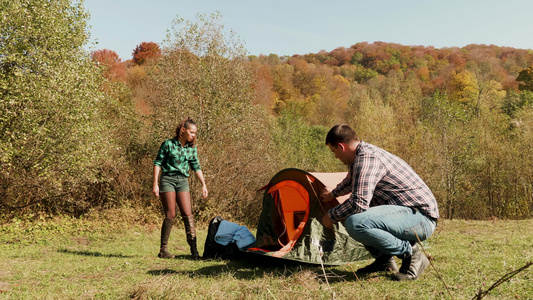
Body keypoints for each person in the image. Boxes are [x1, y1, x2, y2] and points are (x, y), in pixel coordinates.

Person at [320, 125, 439, 281]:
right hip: (407, 215)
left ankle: (411, 253)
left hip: (420, 218)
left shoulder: (367, 159)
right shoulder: (359, 157)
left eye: (333, 151)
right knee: (351, 215)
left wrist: (331, 215)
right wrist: (332, 194)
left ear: (341, 147)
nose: (335, 156)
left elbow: (359, 203)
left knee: (355, 222)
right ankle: (385, 260)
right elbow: (351, 182)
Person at [153, 117, 208, 259]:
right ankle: (163, 250)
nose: (194, 135)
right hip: (168, 180)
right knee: (170, 214)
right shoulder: (168, 144)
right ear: (183, 130)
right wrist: (155, 184)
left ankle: (194, 250)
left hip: (183, 181)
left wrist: (203, 184)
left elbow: (196, 166)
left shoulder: (191, 149)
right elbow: (158, 163)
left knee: (187, 213)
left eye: (195, 133)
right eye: (192, 132)